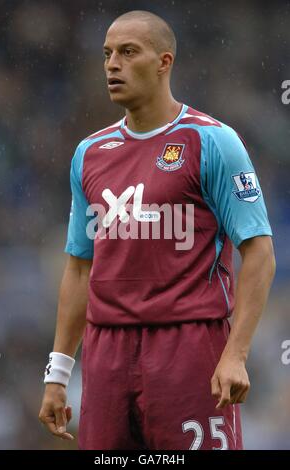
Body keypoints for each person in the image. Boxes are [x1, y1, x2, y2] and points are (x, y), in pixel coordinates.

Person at [39, 10, 276, 450]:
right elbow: (78, 268)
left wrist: (236, 354)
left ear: (165, 62)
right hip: (106, 352)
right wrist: (58, 372)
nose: (113, 64)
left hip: (189, 346)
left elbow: (260, 252)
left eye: (129, 53)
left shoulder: (213, 141)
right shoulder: (89, 153)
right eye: (108, 54)